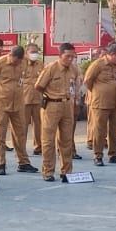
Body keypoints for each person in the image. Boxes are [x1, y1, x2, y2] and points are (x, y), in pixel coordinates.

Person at [34, 45, 80, 181]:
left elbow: (75, 86)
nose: (70, 59)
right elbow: (39, 86)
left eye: (72, 56)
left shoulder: (74, 69)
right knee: (48, 140)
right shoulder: (51, 68)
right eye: (67, 56)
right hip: (52, 105)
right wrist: (50, 96)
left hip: (67, 105)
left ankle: (66, 171)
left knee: (66, 140)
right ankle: (48, 171)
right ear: (60, 56)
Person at [0, 44, 32, 176]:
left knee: (20, 134)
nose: (17, 63)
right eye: (15, 60)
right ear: (10, 55)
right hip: (1, 103)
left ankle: (23, 162)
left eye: (19, 61)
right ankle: (0, 164)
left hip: (18, 104)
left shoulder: (23, 63)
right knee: (0, 135)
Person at [82, 45, 116, 165]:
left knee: (114, 129)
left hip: (115, 102)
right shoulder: (98, 64)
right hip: (100, 102)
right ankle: (98, 155)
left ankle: (114, 154)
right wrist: (98, 91)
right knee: (99, 130)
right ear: (110, 54)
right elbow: (87, 81)